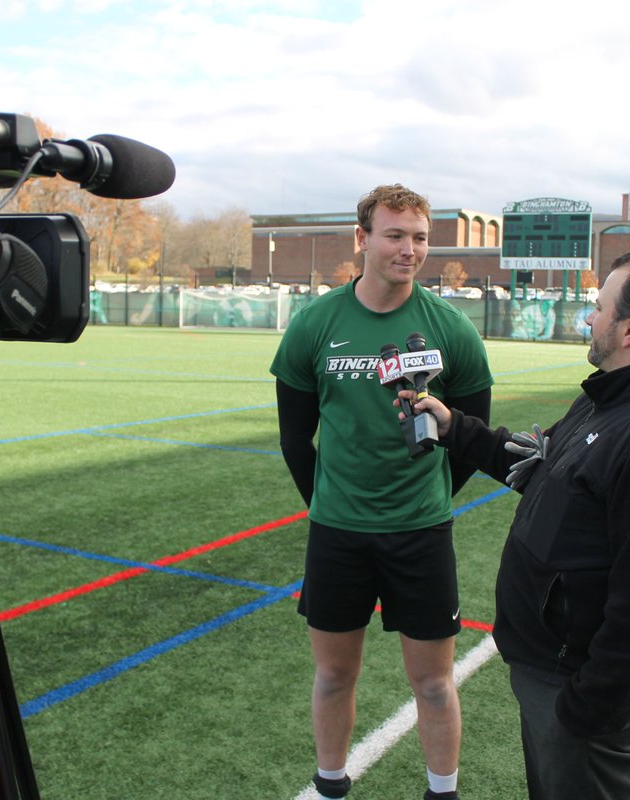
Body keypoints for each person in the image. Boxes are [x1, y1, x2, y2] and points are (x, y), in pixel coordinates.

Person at [398, 251, 630, 800]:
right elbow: (540, 468)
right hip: (551, 671)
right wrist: (456, 428)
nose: (590, 319)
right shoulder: (610, 398)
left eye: (599, 308)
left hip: (579, 695)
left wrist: (586, 709)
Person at [270, 184, 494, 800]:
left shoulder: (450, 329)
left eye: (420, 237)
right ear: (362, 238)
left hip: (420, 532)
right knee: (335, 673)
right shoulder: (316, 323)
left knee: (432, 682)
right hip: (338, 532)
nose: (410, 249)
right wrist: (326, 503)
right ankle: (330, 783)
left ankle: (441, 791)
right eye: (395, 234)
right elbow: (295, 438)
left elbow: (470, 432)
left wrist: (432, 492)